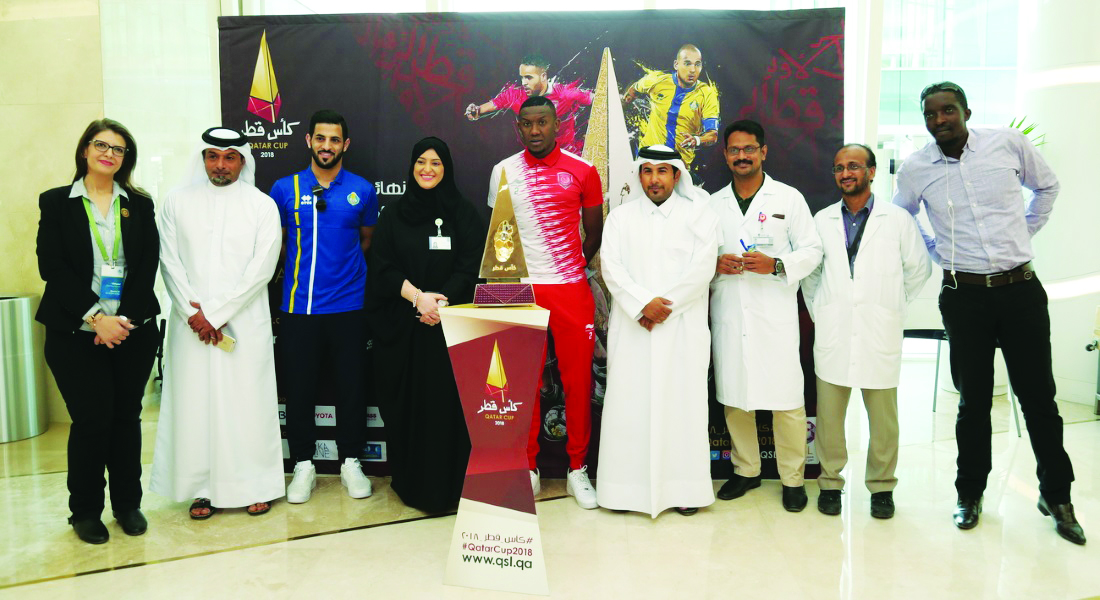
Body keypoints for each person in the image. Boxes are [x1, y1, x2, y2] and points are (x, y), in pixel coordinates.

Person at [893, 82, 1084, 544]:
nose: (940, 120)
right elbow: (902, 220)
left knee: (1039, 399)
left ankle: (1057, 496)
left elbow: (1048, 186)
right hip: (965, 297)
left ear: (966, 111)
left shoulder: (1006, 143)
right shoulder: (917, 168)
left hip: (1020, 291)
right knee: (972, 403)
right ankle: (969, 494)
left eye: (948, 111)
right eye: (931, 114)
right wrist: (937, 250)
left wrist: (1024, 231)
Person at [36, 119, 161, 544]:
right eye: (101, 145)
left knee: (126, 417)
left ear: (127, 158)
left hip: (132, 330)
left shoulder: (139, 205)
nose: (109, 154)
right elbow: (51, 267)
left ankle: (128, 504)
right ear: (85, 150)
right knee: (92, 420)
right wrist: (96, 318)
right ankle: (85, 510)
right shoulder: (56, 202)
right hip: (76, 332)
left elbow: (145, 267)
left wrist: (121, 321)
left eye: (119, 149)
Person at [150, 127, 285, 519]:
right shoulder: (176, 202)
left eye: (229, 157)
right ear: (202, 159)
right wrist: (194, 314)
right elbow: (168, 262)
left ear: (242, 160)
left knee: (247, 404)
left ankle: (255, 485)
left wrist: (216, 315)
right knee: (195, 406)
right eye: (212, 156)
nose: (220, 164)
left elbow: (262, 268)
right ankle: (200, 488)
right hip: (189, 325)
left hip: (242, 322)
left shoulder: (261, 205)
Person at [801, 144, 930, 519]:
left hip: (879, 331)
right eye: (839, 167)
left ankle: (881, 487)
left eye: (854, 166)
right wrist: (824, 309)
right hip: (835, 331)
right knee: (829, 418)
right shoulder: (822, 219)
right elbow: (811, 274)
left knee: (884, 421)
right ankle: (829, 483)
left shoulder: (897, 219)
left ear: (871, 172)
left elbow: (918, 269)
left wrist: (888, 304)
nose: (845, 173)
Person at [487, 95, 604, 509]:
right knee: (523, 383)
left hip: (571, 288)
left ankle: (577, 470)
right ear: (518, 128)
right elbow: (500, 237)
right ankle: (529, 467)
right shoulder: (503, 171)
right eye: (527, 124)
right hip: (521, 289)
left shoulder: (583, 171)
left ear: (557, 125)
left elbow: (594, 233)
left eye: (542, 123)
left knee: (577, 383)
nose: (535, 131)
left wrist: (566, 268)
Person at [597, 145, 719, 517]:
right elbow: (611, 268)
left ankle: (684, 490)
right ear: (639, 176)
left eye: (662, 172)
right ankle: (623, 493)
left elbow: (703, 268)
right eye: (647, 171)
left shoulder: (698, 214)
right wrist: (640, 305)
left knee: (682, 408)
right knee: (629, 408)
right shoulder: (620, 218)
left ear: (676, 176)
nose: (654, 179)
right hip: (635, 330)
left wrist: (661, 307)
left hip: (680, 329)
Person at [709, 119, 822, 512]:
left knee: (787, 400)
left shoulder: (788, 198)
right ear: (725, 155)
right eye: (735, 150)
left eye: (749, 149)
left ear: (763, 152)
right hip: (730, 314)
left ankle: (792, 478)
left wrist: (775, 265)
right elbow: (695, 258)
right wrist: (714, 264)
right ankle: (745, 471)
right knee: (735, 398)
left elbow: (812, 251)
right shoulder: (712, 203)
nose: (742, 156)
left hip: (773, 315)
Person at [366, 137, 484, 512]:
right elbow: (381, 266)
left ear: (446, 168)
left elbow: (470, 265)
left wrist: (442, 301)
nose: (427, 169)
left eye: (435, 162)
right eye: (421, 162)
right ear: (412, 167)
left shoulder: (464, 213)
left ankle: (452, 486)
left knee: (448, 410)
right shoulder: (394, 214)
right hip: (406, 330)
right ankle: (412, 482)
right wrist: (418, 298)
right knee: (411, 407)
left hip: (450, 331)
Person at [268, 110, 379, 504]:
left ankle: (351, 461)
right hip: (299, 309)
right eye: (320, 138)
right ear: (309, 141)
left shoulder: (363, 190)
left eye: (334, 140)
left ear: (345, 145)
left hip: (349, 307)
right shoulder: (283, 188)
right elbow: (278, 244)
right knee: (299, 389)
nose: (327, 146)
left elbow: (365, 239)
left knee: (352, 387)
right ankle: (303, 464)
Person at [465, 52, 593, 154]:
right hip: (537, 160)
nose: (523, 82)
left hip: (569, 156)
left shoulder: (565, 93)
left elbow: (601, 100)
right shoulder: (514, 95)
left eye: (529, 77)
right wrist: (475, 111)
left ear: (543, 76)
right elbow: (484, 109)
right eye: (522, 77)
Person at [623, 44, 720, 169]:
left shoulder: (706, 94)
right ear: (676, 65)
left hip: (679, 166)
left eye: (697, 64)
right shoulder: (657, 80)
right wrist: (623, 105)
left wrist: (697, 140)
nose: (692, 70)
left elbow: (712, 135)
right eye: (687, 63)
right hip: (647, 158)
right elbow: (634, 90)